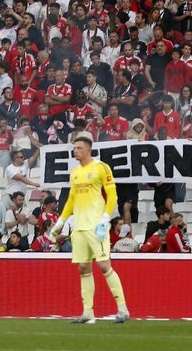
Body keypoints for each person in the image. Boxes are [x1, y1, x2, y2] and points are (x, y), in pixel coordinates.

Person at [51, 135, 129, 324]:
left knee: (104, 266)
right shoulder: (75, 172)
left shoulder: (101, 167)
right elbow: (71, 199)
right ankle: (88, 313)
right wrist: (61, 221)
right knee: (83, 268)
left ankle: (123, 309)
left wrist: (104, 218)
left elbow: (112, 196)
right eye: (74, 147)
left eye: (78, 148)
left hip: (96, 225)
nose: (75, 151)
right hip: (79, 227)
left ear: (87, 149)